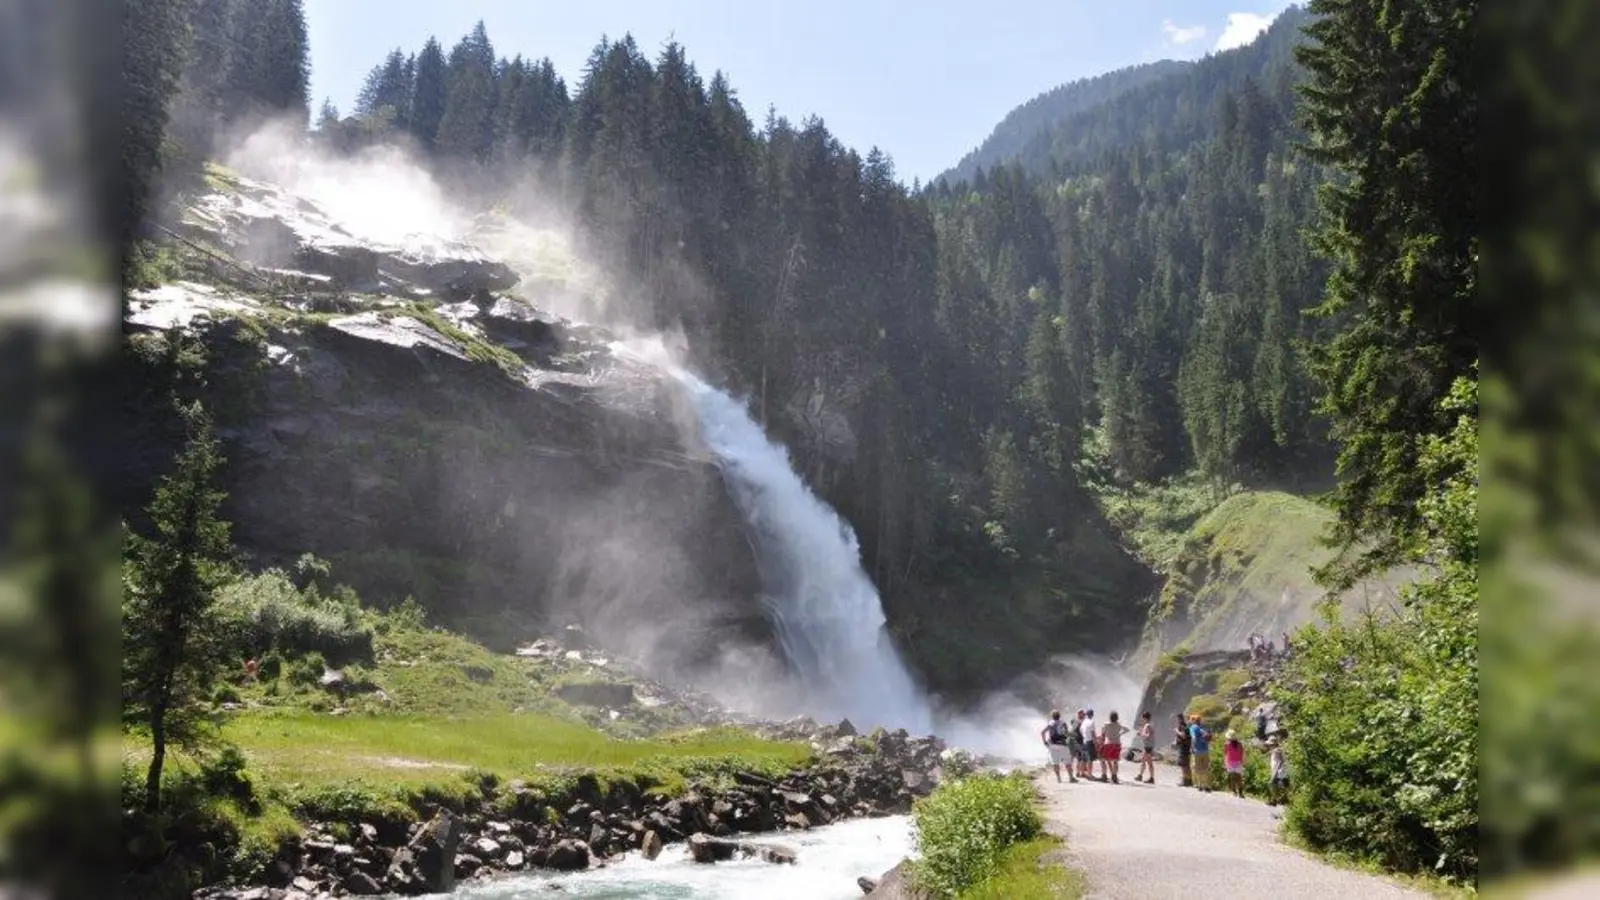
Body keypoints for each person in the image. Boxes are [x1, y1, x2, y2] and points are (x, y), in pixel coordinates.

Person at [1040, 710, 1076, 783]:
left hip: (1052, 745)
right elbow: (1066, 733)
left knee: (1055, 762)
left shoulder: (1050, 724)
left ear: (1052, 716)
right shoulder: (1063, 723)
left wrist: (1045, 742)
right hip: (1062, 744)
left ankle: (1059, 778)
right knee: (1067, 762)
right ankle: (1071, 778)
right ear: (1059, 715)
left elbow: (1042, 732)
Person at [1099, 711, 1127, 783]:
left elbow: (1102, 734)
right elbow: (1127, 729)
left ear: (1110, 717)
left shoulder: (1106, 725)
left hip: (1108, 743)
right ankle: (1114, 776)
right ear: (1117, 718)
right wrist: (1120, 734)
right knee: (1115, 761)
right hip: (1117, 743)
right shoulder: (1118, 725)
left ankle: (1104, 775)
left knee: (1102, 759)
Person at [1189, 714, 1214, 792]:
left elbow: (1194, 738)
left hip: (1197, 751)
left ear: (1193, 721)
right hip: (1205, 751)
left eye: (1191, 720)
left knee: (1197, 768)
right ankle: (1206, 785)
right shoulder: (1202, 729)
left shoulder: (1192, 728)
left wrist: (1192, 747)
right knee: (1205, 768)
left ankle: (1200, 785)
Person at [1135, 711, 1157, 783]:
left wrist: (1140, 734)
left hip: (1148, 747)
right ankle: (1142, 776)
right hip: (1148, 746)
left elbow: (1148, 735)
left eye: (1142, 718)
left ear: (1145, 718)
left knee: (1147, 762)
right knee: (1145, 761)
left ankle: (1149, 777)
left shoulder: (1147, 725)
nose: (1141, 719)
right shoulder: (1148, 725)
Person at [1223, 729, 1246, 797]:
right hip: (1238, 762)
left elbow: (1225, 754)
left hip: (1230, 762)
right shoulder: (1240, 744)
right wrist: (1243, 762)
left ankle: (1234, 792)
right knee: (1239, 778)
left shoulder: (1226, 744)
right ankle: (1240, 792)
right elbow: (1242, 753)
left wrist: (1225, 763)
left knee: (1233, 777)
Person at [1268, 738, 1290, 805]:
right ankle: (1283, 799)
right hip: (1279, 771)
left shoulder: (1277, 750)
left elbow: (1282, 760)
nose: (1269, 745)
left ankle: (1275, 800)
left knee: (1272, 784)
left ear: (1273, 744)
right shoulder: (1275, 750)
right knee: (1280, 785)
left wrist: (1277, 771)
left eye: (1270, 744)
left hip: (1278, 771)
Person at [1172, 713, 1193, 786]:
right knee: (1186, 764)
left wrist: (1176, 731)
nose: (1176, 721)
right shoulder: (1185, 725)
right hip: (1186, 746)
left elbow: (1183, 736)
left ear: (1179, 719)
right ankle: (1189, 780)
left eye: (1177, 719)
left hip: (1183, 747)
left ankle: (1184, 781)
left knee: (1183, 765)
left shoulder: (1182, 726)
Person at [1079, 708, 1099, 780]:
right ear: (1092, 715)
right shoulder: (1092, 722)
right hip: (1089, 742)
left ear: (1086, 714)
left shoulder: (1083, 722)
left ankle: (1082, 773)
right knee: (1090, 759)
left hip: (1084, 741)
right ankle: (1090, 775)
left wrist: (1085, 736)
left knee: (1083, 759)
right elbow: (1093, 733)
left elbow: (1081, 731)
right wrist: (1096, 742)